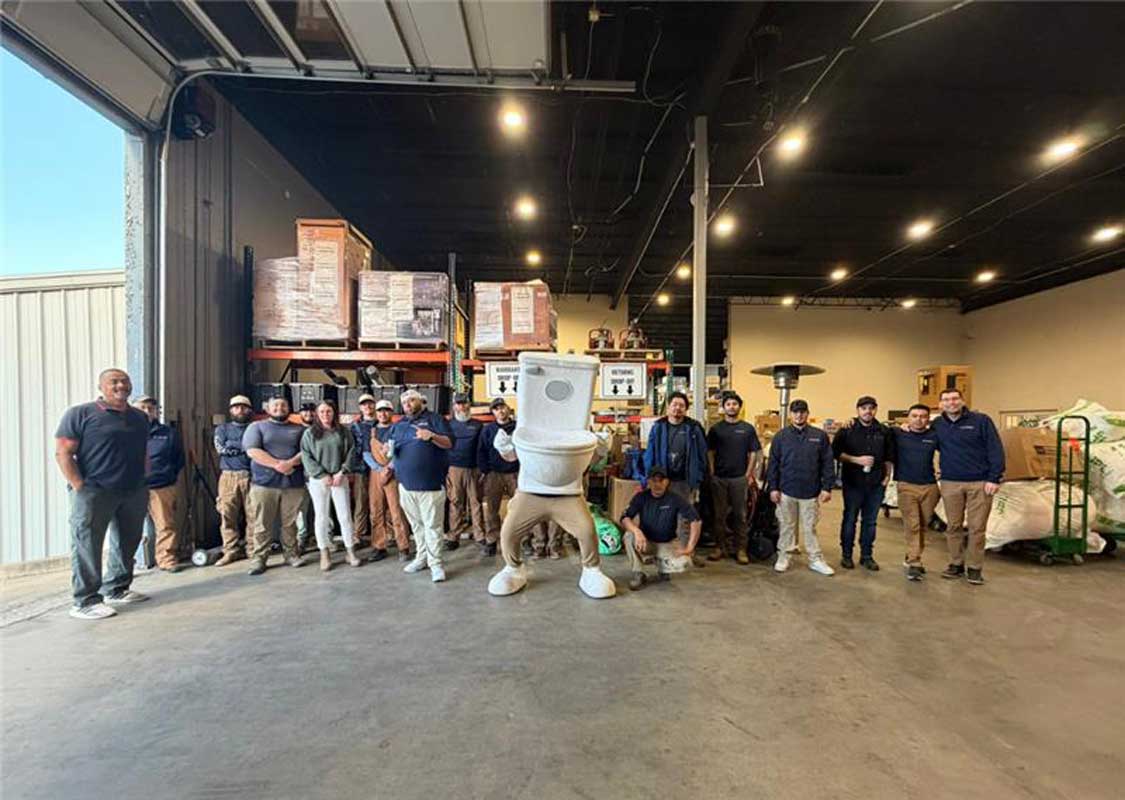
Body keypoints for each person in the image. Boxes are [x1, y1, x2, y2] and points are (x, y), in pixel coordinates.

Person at [54, 368, 151, 619]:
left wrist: (144, 479)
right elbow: (63, 452)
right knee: (87, 544)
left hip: (133, 489)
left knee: (128, 541)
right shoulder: (81, 414)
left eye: (125, 381)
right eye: (113, 382)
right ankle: (85, 601)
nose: (121, 386)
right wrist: (79, 486)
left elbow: (143, 451)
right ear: (101, 387)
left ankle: (117, 588)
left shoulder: (140, 417)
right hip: (95, 491)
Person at [373, 389, 453, 582]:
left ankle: (436, 564)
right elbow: (392, 449)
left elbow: (449, 443)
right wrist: (386, 451)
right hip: (406, 486)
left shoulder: (435, 420)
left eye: (411, 400)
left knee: (432, 526)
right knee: (417, 525)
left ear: (421, 401)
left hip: (431, 485)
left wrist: (431, 436)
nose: (408, 404)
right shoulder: (399, 425)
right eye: (404, 402)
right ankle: (422, 558)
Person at [930, 388, 1004, 586]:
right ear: (941, 404)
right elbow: (922, 438)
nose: (951, 403)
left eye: (955, 398)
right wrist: (905, 427)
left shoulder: (981, 421)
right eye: (946, 400)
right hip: (950, 482)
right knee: (953, 526)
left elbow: (995, 449)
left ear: (962, 401)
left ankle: (974, 568)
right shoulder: (937, 425)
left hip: (979, 482)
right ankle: (956, 564)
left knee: (977, 528)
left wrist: (994, 478)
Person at [766, 399, 835, 576]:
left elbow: (828, 463)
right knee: (786, 525)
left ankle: (815, 559)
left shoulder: (819, 436)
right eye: (795, 412)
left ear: (807, 414)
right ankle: (784, 556)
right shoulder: (781, 436)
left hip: (810, 491)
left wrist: (827, 487)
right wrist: (773, 488)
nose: (799, 415)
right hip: (786, 490)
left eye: (802, 412)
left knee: (810, 527)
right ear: (790, 414)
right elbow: (773, 464)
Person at [643, 391, 709, 565]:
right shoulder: (659, 427)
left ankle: (687, 553)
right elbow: (650, 453)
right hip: (661, 481)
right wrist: (650, 477)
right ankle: (657, 553)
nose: (677, 408)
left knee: (685, 519)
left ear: (686, 409)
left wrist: (698, 477)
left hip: (685, 482)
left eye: (681, 405)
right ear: (668, 407)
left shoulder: (693, 428)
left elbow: (702, 455)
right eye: (674, 405)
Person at [242, 396, 307, 575]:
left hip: (293, 484)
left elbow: (307, 450)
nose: (280, 408)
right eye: (276, 405)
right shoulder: (256, 427)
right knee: (262, 523)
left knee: (290, 523)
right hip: (264, 484)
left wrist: (290, 463)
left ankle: (291, 554)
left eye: (283, 405)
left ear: (289, 408)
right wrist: (278, 465)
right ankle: (259, 559)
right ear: (268, 409)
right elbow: (252, 451)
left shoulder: (300, 429)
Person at [831, 395, 895, 571]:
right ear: (858, 410)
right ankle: (846, 555)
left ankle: (867, 556)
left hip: (876, 484)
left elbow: (889, 457)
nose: (868, 411)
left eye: (871, 408)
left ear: (875, 410)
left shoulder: (884, 431)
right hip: (853, 483)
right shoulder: (847, 430)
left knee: (870, 522)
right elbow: (835, 453)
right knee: (850, 519)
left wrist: (886, 478)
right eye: (864, 408)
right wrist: (856, 460)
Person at [620, 467, 703, 590]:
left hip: (667, 544)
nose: (657, 484)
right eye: (654, 480)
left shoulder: (675, 499)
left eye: (661, 480)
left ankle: (662, 567)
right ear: (648, 481)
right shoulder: (641, 497)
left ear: (667, 482)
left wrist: (690, 547)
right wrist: (636, 531)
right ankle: (639, 573)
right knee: (629, 536)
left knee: (684, 563)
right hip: (646, 543)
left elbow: (696, 520)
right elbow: (624, 518)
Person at [301, 401, 361, 571]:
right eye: (322, 411)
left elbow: (351, 452)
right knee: (321, 517)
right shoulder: (309, 433)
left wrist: (342, 472)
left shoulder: (343, 432)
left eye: (329, 411)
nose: (325, 414)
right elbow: (306, 456)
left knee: (345, 516)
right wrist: (321, 474)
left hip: (339, 478)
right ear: (317, 414)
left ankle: (350, 552)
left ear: (334, 412)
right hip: (318, 480)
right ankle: (324, 553)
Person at [706, 390, 762, 564]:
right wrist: (712, 471)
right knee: (719, 515)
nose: (731, 407)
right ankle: (719, 547)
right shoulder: (716, 429)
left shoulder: (747, 429)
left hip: (739, 479)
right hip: (720, 478)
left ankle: (741, 549)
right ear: (723, 407)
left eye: (734, 404)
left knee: (741, 515)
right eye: (728, 404)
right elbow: (710, 452)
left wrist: (748, 474)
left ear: (739, 407)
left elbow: (754, 453)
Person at [135, 395, 187, 573]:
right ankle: (126, 564)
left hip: (162, 487)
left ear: (157, 412)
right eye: (142, 407)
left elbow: (179, 459)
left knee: (166, 525)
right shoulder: (126, 432)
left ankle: (166, 559)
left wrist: (168, 476)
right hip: (133, 488)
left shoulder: (168, 434)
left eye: (151, 408)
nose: (147, 411)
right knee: (128, 528)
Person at [893, 404, 941, 581]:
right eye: (914, 416)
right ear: (908, 417)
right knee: (912, 524)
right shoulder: (898, 434)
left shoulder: (934, 436)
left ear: (928, 419)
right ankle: (915, 563)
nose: (918, 419)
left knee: (923, 525)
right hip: (906, 486)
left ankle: (911, 554)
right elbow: (876, 428)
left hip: (930, 486)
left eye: (923, 416)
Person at [366, 398, 413, 562]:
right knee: (376, 511)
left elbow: (403, 451)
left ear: (391, 412)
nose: (383, 414)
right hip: (376, 473)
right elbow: (365, 452)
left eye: (386, 410)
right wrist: (379, 469)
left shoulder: (398, 430)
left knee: (396, 511)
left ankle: (403, 547)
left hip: (394, 472)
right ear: (376, 413)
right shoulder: (371, 431)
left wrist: (390, 468)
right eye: (380, 411)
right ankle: (379, 546)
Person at [213, 395, 255, 565]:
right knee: (227, 514)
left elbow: (256, 448)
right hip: (228, 476)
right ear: (231, 410)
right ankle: (231, 550)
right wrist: (244, 446)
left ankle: (253, 550)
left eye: (244, 407)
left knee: (254, 515)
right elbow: (221, 449)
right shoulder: (222, 429)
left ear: (249, 410)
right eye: (236, 407)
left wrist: (234, 444)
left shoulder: (255, 428)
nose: (240, 410)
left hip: (252, 475)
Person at [478, 398, 520, 557]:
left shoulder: (518, 427)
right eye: (496, 409)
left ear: (508, 409)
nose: (500, 411)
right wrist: (486, 471)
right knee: (492, 510)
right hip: (494, 474)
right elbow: (481, 451)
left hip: (515, 473)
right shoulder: (488, 430)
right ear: (493, 412)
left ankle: (522, 539)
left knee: (519, 508)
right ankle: (492, 540)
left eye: (502, 407)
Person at [445, 392, 485, 552]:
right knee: (455, 502)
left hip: (474, 468)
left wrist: (482, 469)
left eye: (464, 403)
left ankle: (479, 536)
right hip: (454, 468)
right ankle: (453, 536)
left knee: (476, 502)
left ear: (469, 405)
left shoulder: (478, 425)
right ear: (454, 406)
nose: (462, 407)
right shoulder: (448, 425)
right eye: (459, 404)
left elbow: (482, 448)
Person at [348, 393, 378, 547]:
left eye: (370, 403)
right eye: (364, 404)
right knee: (361, 503)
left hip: (380, 468)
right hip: (361, 469)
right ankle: (358, 535)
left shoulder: (382, 422)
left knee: (380, 503)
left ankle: (384, 534)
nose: (368, 406)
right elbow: (351, 449)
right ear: (360, 407)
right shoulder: (355, 426)